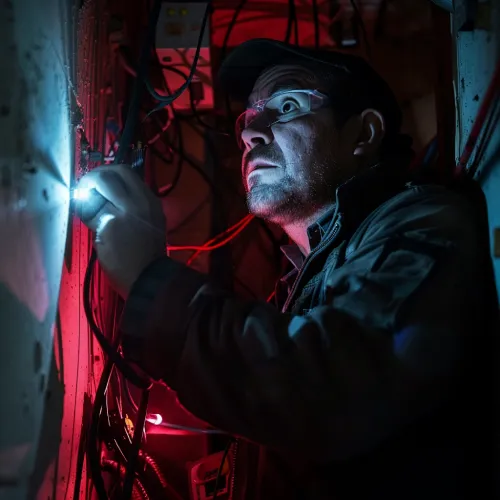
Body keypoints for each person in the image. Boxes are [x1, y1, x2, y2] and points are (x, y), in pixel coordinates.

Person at [78, 39, 498, 499]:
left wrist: (151, 284)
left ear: (362, 135)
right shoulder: (307, 274)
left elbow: (334, 393)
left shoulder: (426, 221)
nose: (250, 132)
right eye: (248, 117)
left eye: (288, 104)